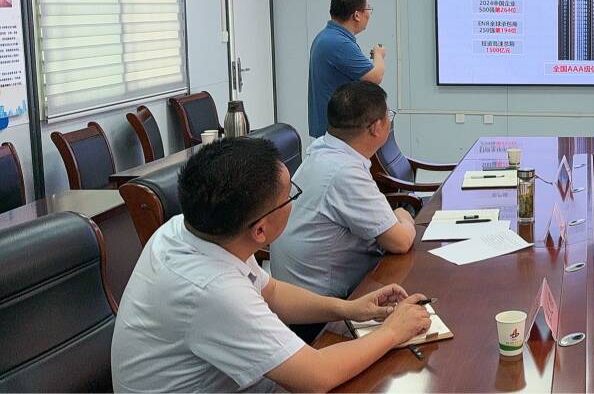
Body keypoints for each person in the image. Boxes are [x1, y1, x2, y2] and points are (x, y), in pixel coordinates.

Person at [111, 138, 431, 393]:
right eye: (289, 195)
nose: (293, 200)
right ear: (260, 231)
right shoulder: (212, 291)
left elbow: (271, 291)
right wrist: (392, 331)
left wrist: (348, 309)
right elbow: (317, 377)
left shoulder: (188, 229)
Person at [272, 81, 416, 312]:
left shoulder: (323, 150)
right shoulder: (344, 172)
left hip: (307, 295)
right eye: (388, 115)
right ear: (376, 128)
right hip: (325, 311)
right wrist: (405, 216)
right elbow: (400, 242)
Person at [309, 0, 385, 138]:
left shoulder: (327, 36)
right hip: (338, 131)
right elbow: (375, 77)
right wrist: (379, 54)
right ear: (357, 15)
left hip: (333, 128)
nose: (369, 14)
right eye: (368, 9)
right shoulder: (338, 43)